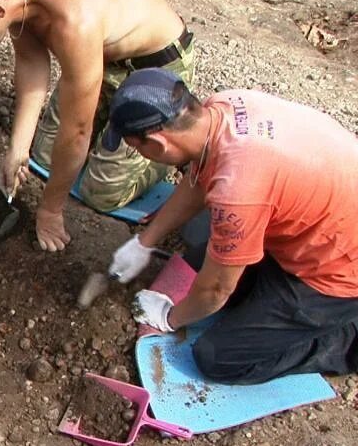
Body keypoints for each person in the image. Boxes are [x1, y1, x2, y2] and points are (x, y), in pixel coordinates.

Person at [0, 0, 196, 251]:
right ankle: (108, 143)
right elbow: (31, 63)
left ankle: (183, 149)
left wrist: (51, 210)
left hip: (154, 70)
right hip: (98, 57)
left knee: (102, 191)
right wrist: (18, 149)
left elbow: (77, 131)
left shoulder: (73, 22)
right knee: (43, 157)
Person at [106, 68, 358, 385]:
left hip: (337, 275)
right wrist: (145, 241)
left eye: (135, 147)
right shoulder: (223, 108)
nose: (138, 153)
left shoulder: (238, 190)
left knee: (217, 357)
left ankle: (346, 339)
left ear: (157, 144)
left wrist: (169, 318)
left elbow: (215, 291)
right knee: (197, 268)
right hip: (321, 228)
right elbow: (198, 180)